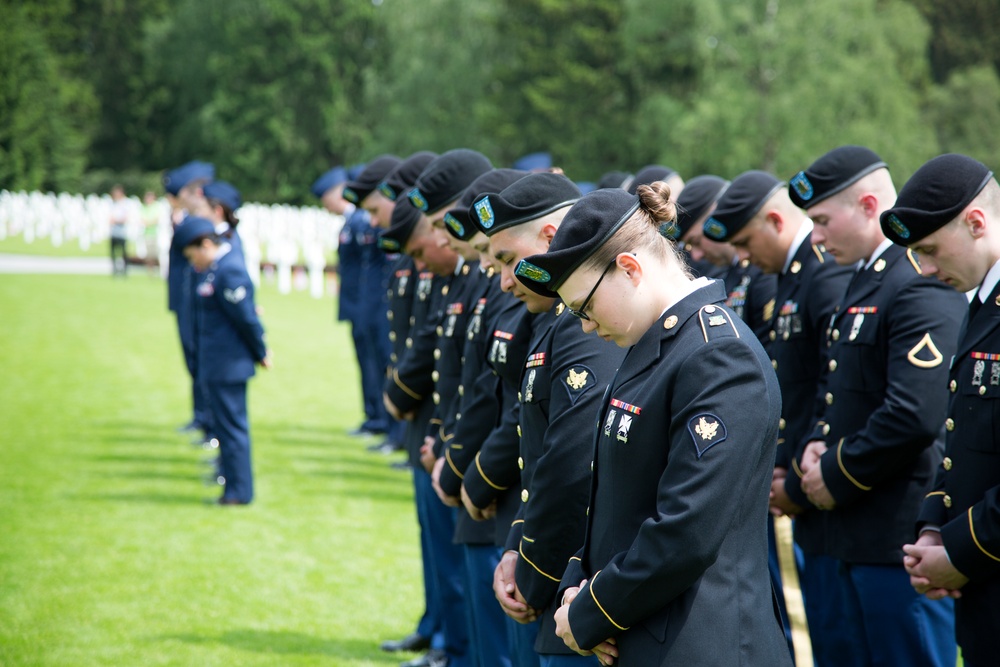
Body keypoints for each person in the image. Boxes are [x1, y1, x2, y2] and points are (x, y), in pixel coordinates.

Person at [511, 183, 790, 666]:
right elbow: (616, 500)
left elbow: (687, 529)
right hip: (647, 632)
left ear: (629, 268)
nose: (583, 326)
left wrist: (593, 612)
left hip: (704, 643)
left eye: (583, 307)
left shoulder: (719, 356)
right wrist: (580, 581)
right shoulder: (657, 346)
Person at [777, 146, 964, 666]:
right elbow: (832, 386)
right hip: (840, 538)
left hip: (890, 540)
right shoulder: (862, 278)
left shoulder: (918, 281)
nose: (814, 236)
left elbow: (914, 412)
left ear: (866, 205)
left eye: (821, 221)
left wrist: (832, 474)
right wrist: (816, 442)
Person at [472, 172, 626, 666]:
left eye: (507, 260)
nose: (501, 281)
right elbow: (539, 459)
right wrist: (518, 547)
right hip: (554, 576)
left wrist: (533, 576)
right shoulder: (556, 321)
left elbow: (573, 463)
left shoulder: (582, 328)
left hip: (577, 587)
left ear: (549, 239)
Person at [704, 170, 853, 666]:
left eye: (747, 241)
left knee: (808, 623)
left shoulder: (820, 271)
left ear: (772, 219)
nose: (743, 257)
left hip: (811, 473)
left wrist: (802, 455)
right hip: (790, 469)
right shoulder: (794, 274)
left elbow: (833, 379)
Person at [882, 154, 1000, 667]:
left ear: (976, 222)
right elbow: (964, 439)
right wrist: (934, 526)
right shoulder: (981, 305)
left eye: (929, 250)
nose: (925, 269)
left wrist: (962, 550)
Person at [176, 216, 270, 505]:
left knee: (232, 430)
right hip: (217, 364)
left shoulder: (229, 271)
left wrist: (261, 351)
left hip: (229, 365)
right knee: (226, 428)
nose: (194, 263)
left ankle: (238, 492)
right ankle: (232, 485)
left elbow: (246, 319)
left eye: (194, 255)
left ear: (206, 245)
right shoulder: (216, 269)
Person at [313, 164, 394, 439]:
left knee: (378, 363)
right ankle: (374, 416)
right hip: (360, 304)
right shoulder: (355, 222)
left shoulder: (361, 221)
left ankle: (382, 420)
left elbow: (374, 268)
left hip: (371, 304)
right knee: (367, 363)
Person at [670, 174, 776, 342]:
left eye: (696, 241)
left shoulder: (763, 266)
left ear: (716, 216)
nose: (696, 255)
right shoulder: (734, 273)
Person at [163, 161, 215, 438]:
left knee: (202, 360)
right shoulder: (182, 220)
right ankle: (199, 415)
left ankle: (207, 419)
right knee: (193, 361)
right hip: (185, 301)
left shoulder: (204, 223)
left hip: (199, 302)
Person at [109, 184, 130, 277]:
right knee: (113, 252)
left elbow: (126, 217)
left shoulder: (125, 203)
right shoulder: (113, 203)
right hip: (113, 231)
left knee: (123, 253)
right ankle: (115, 270)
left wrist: (116, 220)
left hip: (122, 232)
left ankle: (124, 271)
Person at [140, 191, 162, 273]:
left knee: (156, 254)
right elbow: (142, 220)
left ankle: (159, 270)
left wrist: (149, 223)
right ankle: (150, 272)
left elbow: (156, 219)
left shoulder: (156, 206)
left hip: (156, 233)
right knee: (148, 255)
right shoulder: (144, 207)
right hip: (147, 233)